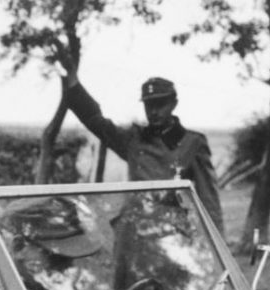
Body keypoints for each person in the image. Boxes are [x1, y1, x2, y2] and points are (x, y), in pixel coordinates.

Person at [59, 56, 224, 235]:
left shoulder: (192, 143)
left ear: (173, 104)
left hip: (174, 237)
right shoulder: (134, 140)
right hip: (135, 234)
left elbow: (209, 202)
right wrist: (73, 81)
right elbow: (95, 121)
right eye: (149, 105)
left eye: (160, 104)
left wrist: (217, 250)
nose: (154, 111)